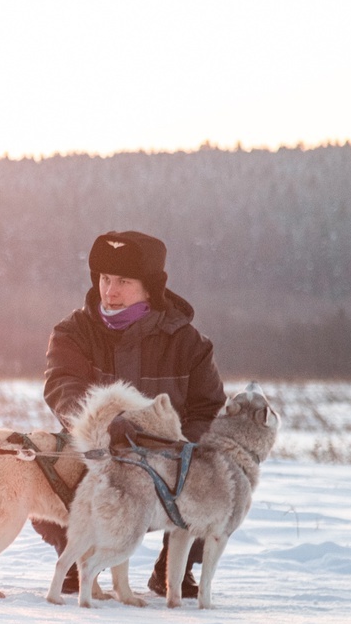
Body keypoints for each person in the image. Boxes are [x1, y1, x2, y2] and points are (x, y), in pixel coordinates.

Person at [34, 229, 227, 596]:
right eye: (105, 279)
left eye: (124, 280)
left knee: (216, 472)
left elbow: (210, 410)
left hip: (166, 461)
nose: (111, 291)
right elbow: (63, 388)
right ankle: (76, 556)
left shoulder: (190, 343)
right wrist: (106, 428)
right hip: (96, 451)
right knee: (41, 467)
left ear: (150, 287)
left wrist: (174, 448)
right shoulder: (72, 332)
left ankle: (173, 569)